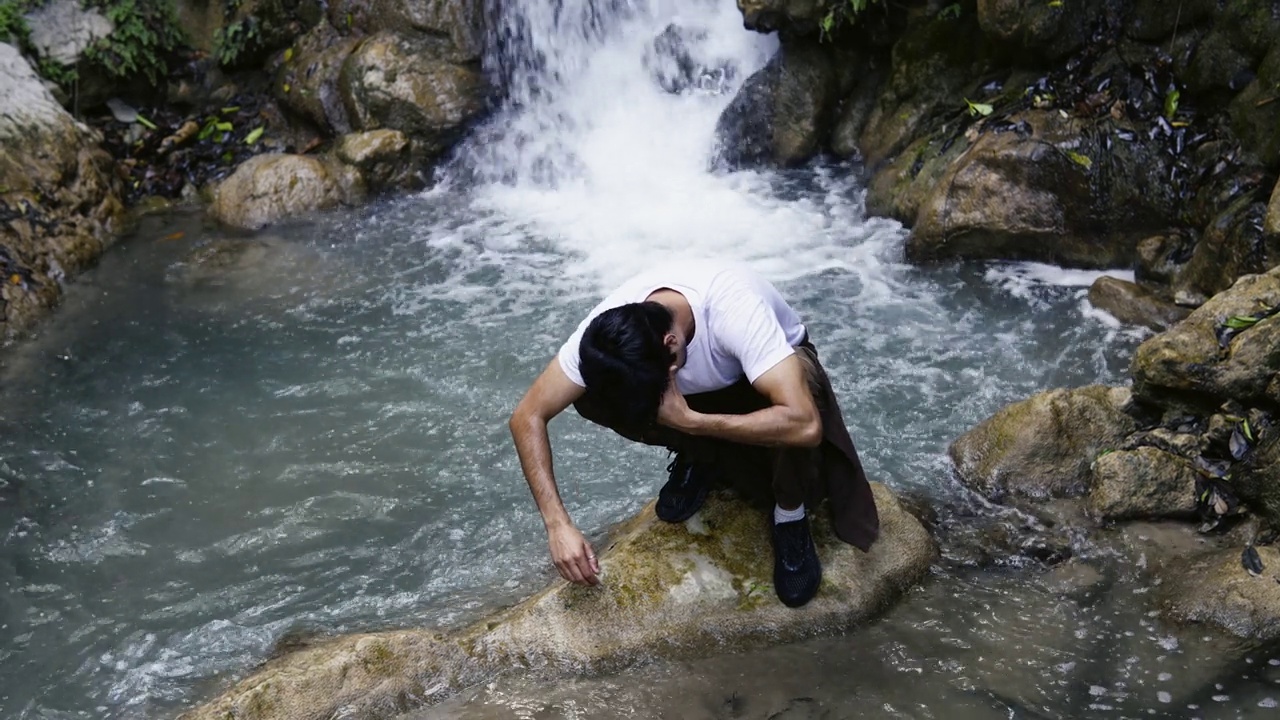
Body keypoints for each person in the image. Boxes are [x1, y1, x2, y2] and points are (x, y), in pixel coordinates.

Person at [508, 262, 879, 607]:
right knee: (589, 397)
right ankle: (700, 455)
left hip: (759, 384)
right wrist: (558, 526)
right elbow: (527, 416)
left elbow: (805, 424)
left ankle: (789, 512)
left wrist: (692, 422)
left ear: (671, 346)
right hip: (689, 400)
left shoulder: (734, 311)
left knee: (797, 401)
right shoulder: (609, 333)